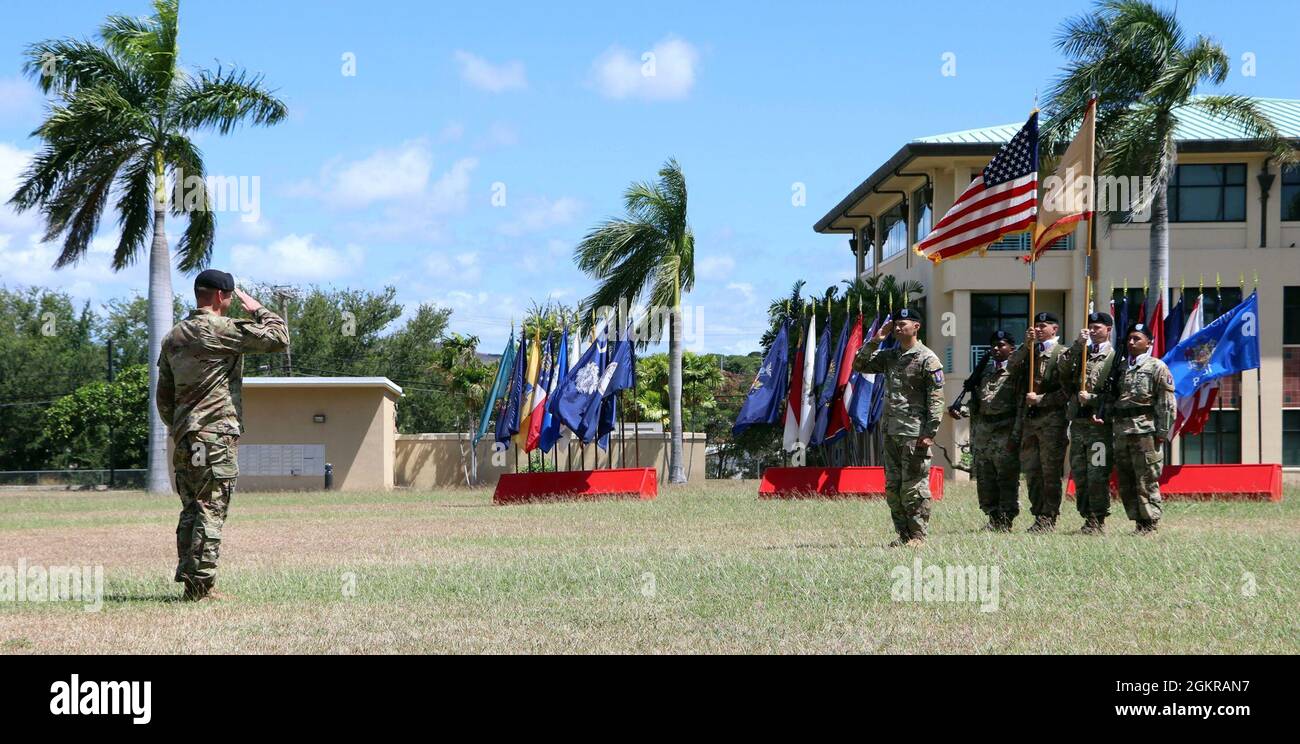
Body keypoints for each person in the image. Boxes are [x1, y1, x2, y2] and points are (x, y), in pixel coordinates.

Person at [156, 270, 290, 600]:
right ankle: (200, 589)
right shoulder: (220, 329)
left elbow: (164, 395)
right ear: (220, 297)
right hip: (215, 436)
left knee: (192, 508)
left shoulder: (173, 336)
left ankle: (192, 582)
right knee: (211, 508)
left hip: (187, 438)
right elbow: (279, 336)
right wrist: (257, 308)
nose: (231, 302)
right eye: (230, 297)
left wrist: (179, 427)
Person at [853, 307, 945, 547]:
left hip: (914, 433)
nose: (897, 328)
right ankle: (903, 535)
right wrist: (876, 340)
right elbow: (859, 365)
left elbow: (936, 398)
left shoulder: (927, 358)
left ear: (916, 326)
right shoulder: (890, 356)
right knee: (893, 488)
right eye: (895, 324)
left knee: (914, 485)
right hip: (892, 430)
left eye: (902, 323)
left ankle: (918, 536)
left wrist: (930, 432)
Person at [1102, 322, 1175, 535]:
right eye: (1130, 339)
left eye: (1137, 339)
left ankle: (1150, 522)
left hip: (1145, 431)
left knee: (1146, 479)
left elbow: (1167, 402)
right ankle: (1138, 522)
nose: (1132, 342)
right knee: (1126, 479)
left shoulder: (1157, 367)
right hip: (1122, 431)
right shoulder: (1121, 368)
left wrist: (1162, 432)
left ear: (1148, 343)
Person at [951, 330, 1021, 532]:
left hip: (1005, 430)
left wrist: (1016, 435)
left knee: (1006, 477)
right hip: (983, 431)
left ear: (1012, 349)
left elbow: (1020, 406)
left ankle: (1006, 519)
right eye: (993, 346)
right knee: (985, 477)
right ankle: (993, 517)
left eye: (1001, 345)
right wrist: (960, 411)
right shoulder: (984, 371)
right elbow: (976, 404)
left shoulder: (1016, 373)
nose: (996, 349)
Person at [1008, 311, 1071, 533]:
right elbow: (1011, 367)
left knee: (1049, 472)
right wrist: (1026, 345)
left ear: (1055, 329)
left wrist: (1042, 399)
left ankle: (1049, 516)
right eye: (1036, 326)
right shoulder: (1030, 352)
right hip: (1030, 422)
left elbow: (1068, 391)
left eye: (1044, 326)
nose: (1039, 329)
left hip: (1052, 421)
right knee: (1032, 472)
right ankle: (1038, 514)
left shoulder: (1063, 354)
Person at [1066, 312, 1117, 534]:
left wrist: (1094, 399)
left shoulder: (1115, 360)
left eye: (1097, 327)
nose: (1093, 331)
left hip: (1099, 427)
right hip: (1078, 424)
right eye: (1090, 327)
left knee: (1097, 474)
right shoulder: (1082, 354)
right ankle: (1087, 517)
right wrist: (1078, 345)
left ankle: (1098, 519)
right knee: (1080, 474)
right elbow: (1062, 369)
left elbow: (1118, 394)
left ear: (1108, 330)